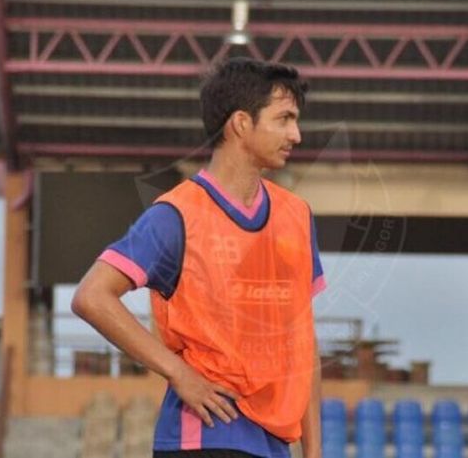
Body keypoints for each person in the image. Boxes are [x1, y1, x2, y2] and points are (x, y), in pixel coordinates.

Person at [71, 57, 327, 458]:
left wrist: (313, 451)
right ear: (241, 123)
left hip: (275, 443)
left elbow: (303, 343)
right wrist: (179, 374)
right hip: (206, 434)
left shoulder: (297, 215)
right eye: (284, 119)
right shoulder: (176, 215)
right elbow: (92, 296)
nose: (296, 134)